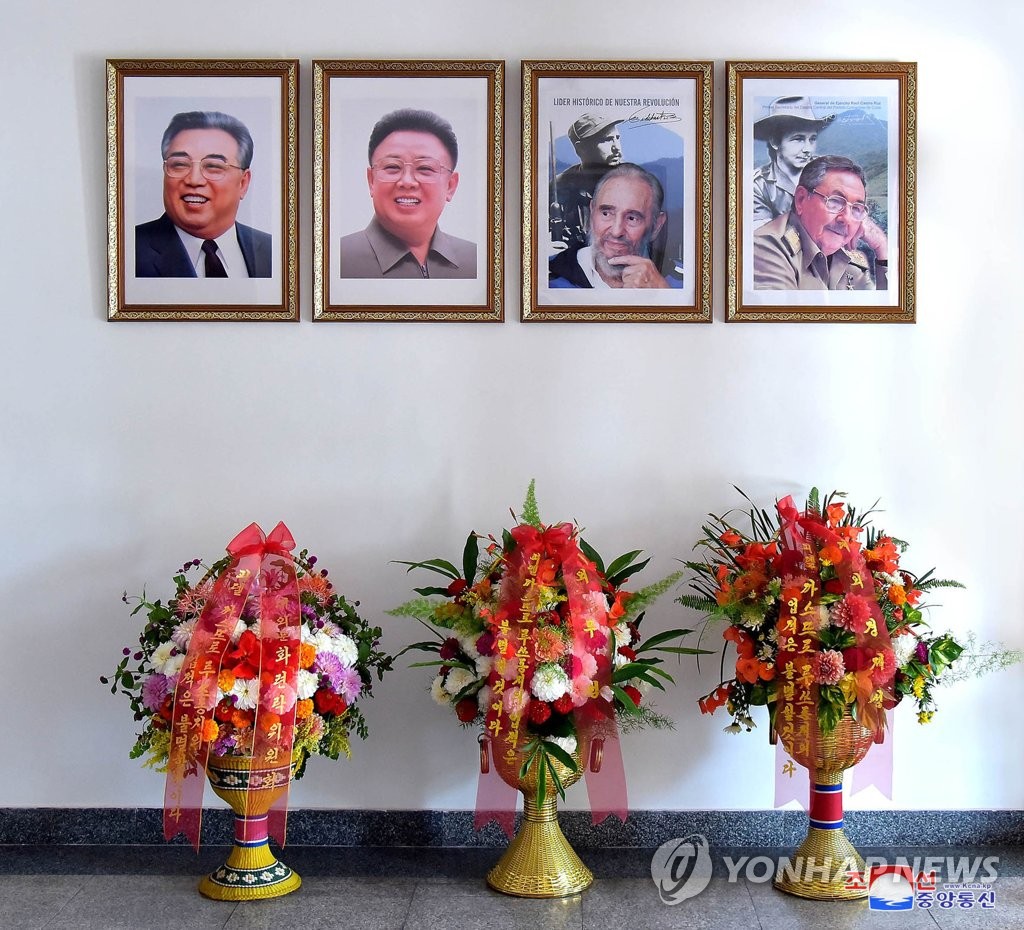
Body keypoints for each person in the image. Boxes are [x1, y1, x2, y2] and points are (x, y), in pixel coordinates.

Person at [340, 109, 475, 279]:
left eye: (425, 168)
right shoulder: (337, 261)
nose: (407, 182)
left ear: (450, 185)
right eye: (392, 167)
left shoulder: (477, 263)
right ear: (371, 180)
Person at [136, 111, 271, 278]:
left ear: (243, 183)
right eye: (179, 164)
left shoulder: (273, 251)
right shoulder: (129, 250)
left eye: (213, 166)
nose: (194, 180)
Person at [753, 155, 888, 291]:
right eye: (835, 201)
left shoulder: (850, 262)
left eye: (857, 209)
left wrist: (882, 247)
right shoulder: (766, 248)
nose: (846, 218)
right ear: (801, 199)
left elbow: (882, 309)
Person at [549, 163, 680, 289]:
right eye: (606, 213)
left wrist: (663, 294)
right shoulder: (545, 277)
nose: (617, 232)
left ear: (656, 226)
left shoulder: (684, 283)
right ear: (592, 212)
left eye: (632, 218)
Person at [751, 96, 835, 229]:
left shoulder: (829, 172)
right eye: (798, 139)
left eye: (812, 139)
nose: (808, 149)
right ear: (774, 142)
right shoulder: (758, 186)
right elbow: (766, 239)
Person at [549, 112, 624, 251]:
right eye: (606, 140)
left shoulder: (635, 184)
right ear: (580, 148)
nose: (617, 148)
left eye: (617, 138)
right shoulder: (558, 187)